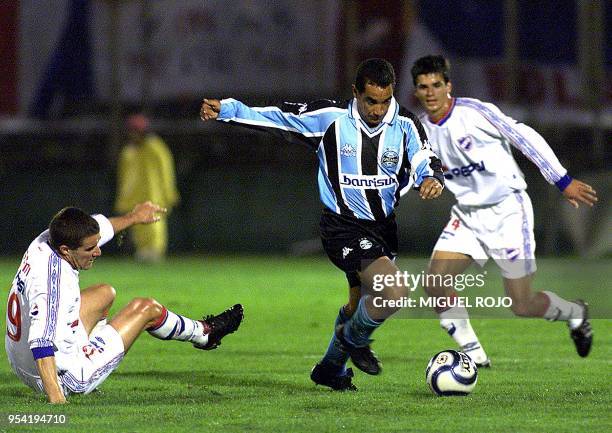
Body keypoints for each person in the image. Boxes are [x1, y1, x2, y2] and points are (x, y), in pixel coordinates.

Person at [200, 58, 445, 390]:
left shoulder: (404, 124)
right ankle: (354, 339)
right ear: (356, 92)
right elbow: (277, 117)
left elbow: (422, 158)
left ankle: (330, 369)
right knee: (393, 290)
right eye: (371, 101)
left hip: (383, 228)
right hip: (341, 227)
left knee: (359, 304)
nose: (378, 109)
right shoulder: (330, 120)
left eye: (385, 101)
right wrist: (229, 109)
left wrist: (431, 178)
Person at [409, 55, 597, 365]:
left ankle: (573, 312)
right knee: (435, 283)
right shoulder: (418, 132)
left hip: (508, 210)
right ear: (416, 91)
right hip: (468, 216)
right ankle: (474, 357)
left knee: (521, 304)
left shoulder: (474, 113)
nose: (430, 93)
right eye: (423, 87)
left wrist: (561, 179)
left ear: (448, 86)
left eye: (436, 85)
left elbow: (523, 136)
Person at [5, 201, 243, 404]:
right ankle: (205, 333)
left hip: (20, 359)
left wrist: (134, 217)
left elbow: (102, 228)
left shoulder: (47, 240)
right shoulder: (51, 284)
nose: (98, 252)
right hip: (58, 373)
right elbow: (41, 342)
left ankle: (89, 353)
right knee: (146, 308)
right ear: (66, 250)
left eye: (96, 244)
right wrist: (57, 401)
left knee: (104, 293)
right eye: (90, 248)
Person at [115, 113, 180, 263]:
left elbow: (166, 171)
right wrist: (123, 199)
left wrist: (169, 192)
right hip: (136, 196)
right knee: (138, 224)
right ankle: (143, 249)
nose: (132, 135)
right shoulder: (129, 152)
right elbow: (125, 178)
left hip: (154, 193)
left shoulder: (155, 147)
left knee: (155, 223)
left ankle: (155, 250)